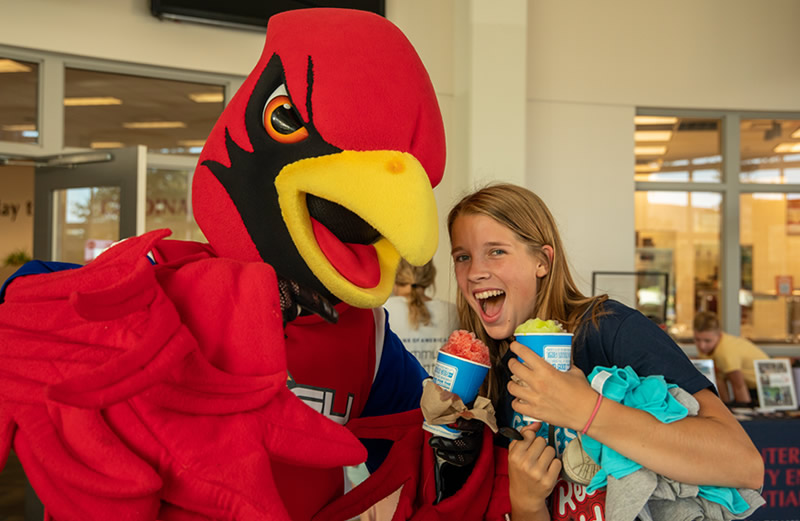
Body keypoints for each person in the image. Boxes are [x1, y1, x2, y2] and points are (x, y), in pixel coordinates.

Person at [446, 183, 764, 521]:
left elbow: (744, 464)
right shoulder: (492, 368)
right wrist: (527, 505)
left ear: (542, 261)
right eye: (462, 256)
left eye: (496, 251)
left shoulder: (611, 329)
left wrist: (587, 410)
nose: (475, 271)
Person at [383, 259, 459, 374]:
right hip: (439, 391)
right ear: (430, 277)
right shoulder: (453, 312)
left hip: (395, 392)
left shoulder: (382, 311)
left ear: (395, 277)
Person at [693, 311, 769, 405]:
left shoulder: (725, 351)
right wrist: (725, 406)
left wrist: (743, 410)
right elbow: (719, 379)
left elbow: (739, 386)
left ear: (719, 335)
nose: (702, 346)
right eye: (697, 339)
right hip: (751, 387)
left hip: (763, 389)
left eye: (707, 341)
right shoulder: (709, 349)